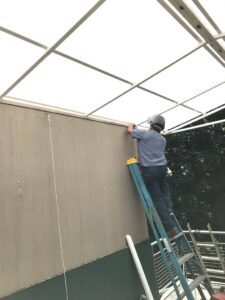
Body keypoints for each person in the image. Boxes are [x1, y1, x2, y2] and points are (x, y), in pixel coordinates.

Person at [127, 114, 179, 238]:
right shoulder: (162, 139)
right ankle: (168, 208)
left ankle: (170, 228)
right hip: (162, 168)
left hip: (150, 170)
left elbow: (130, 130)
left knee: (157, 199)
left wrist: (132, 124)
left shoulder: (144, 134)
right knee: (164, 190)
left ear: (151, 123)